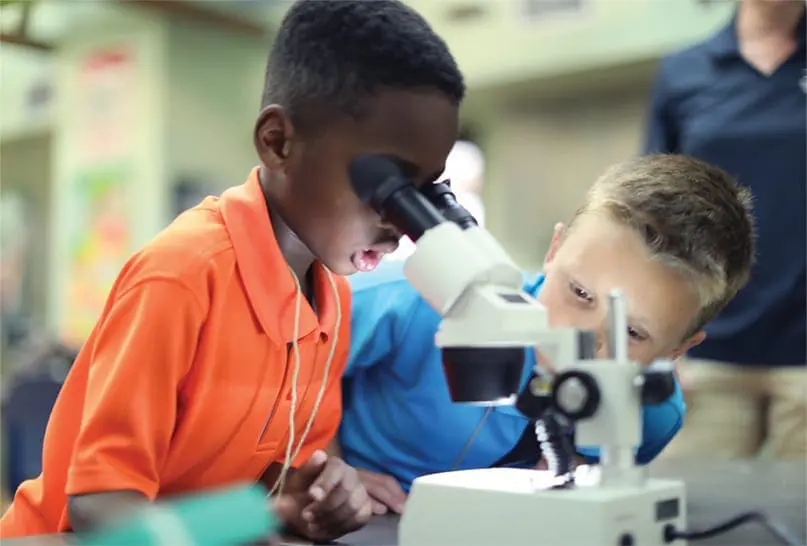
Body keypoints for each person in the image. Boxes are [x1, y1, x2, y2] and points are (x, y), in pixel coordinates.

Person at [0, 0, 465, 539]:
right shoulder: (183, 275)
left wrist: (320, 490)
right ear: (278, 142)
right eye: (387, 183)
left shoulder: (330, 296)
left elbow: (282, 472)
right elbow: (101, 510)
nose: (402, 222)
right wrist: (260, 518)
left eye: (423, 191)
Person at [332, 155, 755, 515]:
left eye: (631, 331)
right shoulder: (411, 302)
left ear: (678, 349)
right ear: (554, 251)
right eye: (580, 292)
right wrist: (323, 467)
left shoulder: (649, 417)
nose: (585, 336)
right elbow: (281, 372)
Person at [644, 0, 806, 459]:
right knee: (695, 517)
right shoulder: (683, 72)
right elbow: (655, 214)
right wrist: (656, 339)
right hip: (709, 349)